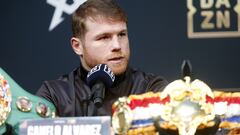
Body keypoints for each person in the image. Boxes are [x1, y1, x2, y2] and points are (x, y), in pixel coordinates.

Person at [36, 0, 168, 117]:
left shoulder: (151, 88)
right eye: (104, 37)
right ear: (77, 46)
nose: (117, 46)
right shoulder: (54, 94)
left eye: (122, 34)